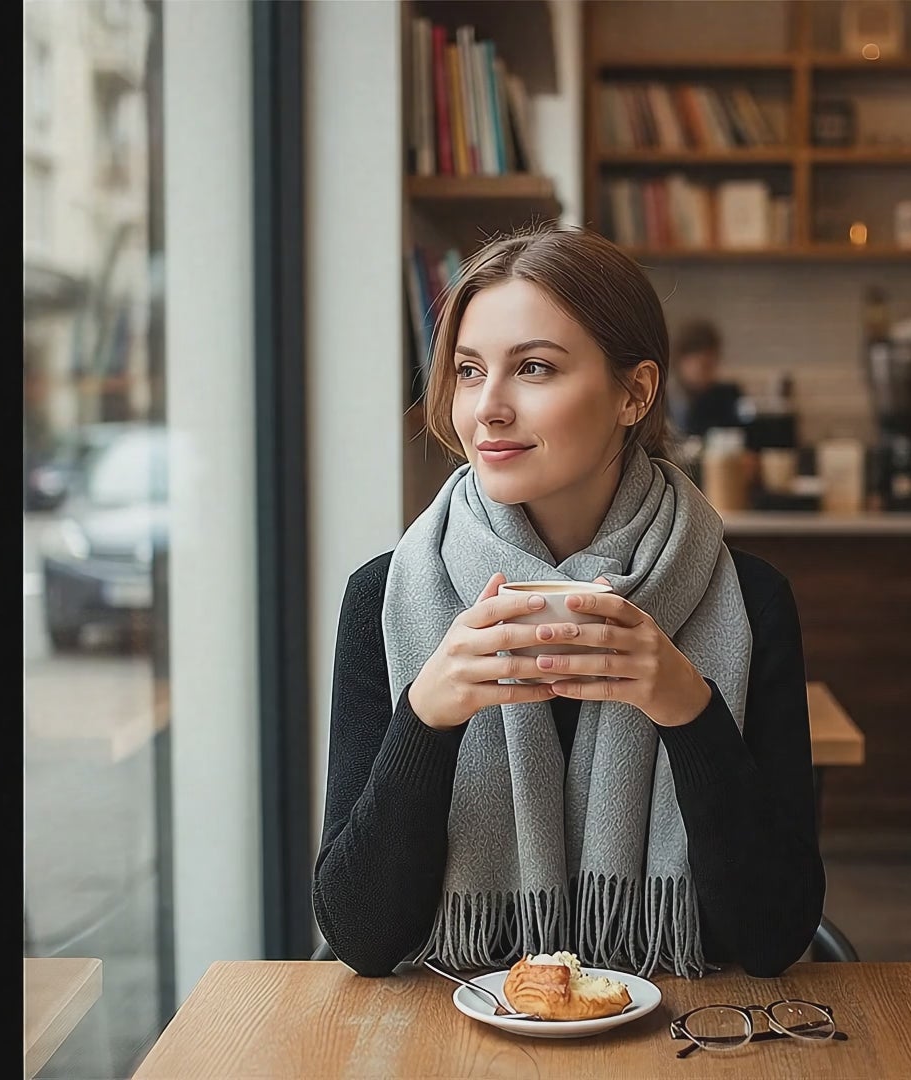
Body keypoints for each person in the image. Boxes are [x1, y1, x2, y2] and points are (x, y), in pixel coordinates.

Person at [314, 224, 824, 980]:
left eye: (535, 369)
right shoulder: (386, 597)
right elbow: (360, 937)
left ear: (634, 392)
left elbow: (771, 935)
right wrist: (426, 716)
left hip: (680, 1038)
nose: (487, 408)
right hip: (453, 1039)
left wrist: (688, 707)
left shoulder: (748, 600)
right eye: (467, 370)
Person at [664, 319, 744, 441]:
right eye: (704, 366)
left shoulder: (725, 397)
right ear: (681, 361)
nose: (710, 374)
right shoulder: (661, 400)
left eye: (713, 365)